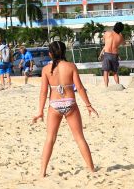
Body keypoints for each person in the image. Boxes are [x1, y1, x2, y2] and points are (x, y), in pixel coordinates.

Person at [32, 41, 98, 177]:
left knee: (50, 138)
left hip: (54, 104)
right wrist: (88, 105)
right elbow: (79, 88)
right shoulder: (71, 66)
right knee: (79, 137)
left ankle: (42, 172)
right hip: (70, 103)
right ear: (64, 52)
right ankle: (91, 169)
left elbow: (43, 92)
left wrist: (40, 111)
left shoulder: (46, 70)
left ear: (50, 54)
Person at [99, 22, 125, 87]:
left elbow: (105, 42)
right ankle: (118, 85)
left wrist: (101, 53)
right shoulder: (120, 37)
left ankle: (106, 86)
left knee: (106, 72)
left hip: (107, 54)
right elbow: (124, 43)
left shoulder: (107, 33)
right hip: (114, 54)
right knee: (115, 72)